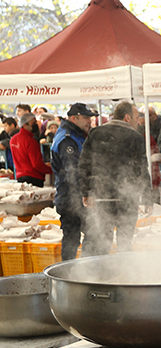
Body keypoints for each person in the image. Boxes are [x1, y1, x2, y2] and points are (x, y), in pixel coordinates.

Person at [78, 102, 154, 256]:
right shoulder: (136, 137)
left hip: (101, 198)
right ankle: (122, 270)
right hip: (127, 200)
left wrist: (86, 192)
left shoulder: (95, 133)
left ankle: (101, 271)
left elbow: (84, 164)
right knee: (124, 245)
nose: (138, 122)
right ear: (127, 117)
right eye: (136, 118)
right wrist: (147, 198)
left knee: (102, 243)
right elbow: (141, 170)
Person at [51, 103, 96, 260]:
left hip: (75, 196)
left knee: (91, 234)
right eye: (85, 118)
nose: (89, 121)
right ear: (73, 118)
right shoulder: (67, 139)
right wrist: (86, 193)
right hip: (71, 198)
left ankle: (85, 269)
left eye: (90, 118)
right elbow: (74, 171)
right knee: (73, 239)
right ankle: (70, 272)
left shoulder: (77, 135)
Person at [10, 113, 51, 187]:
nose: (36, 125)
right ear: (25, 125)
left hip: (20, 176)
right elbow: (37, 164)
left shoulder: (13, 139)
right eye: (33, 123)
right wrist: (51, 170)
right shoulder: (30, 141)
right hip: (34, 177)